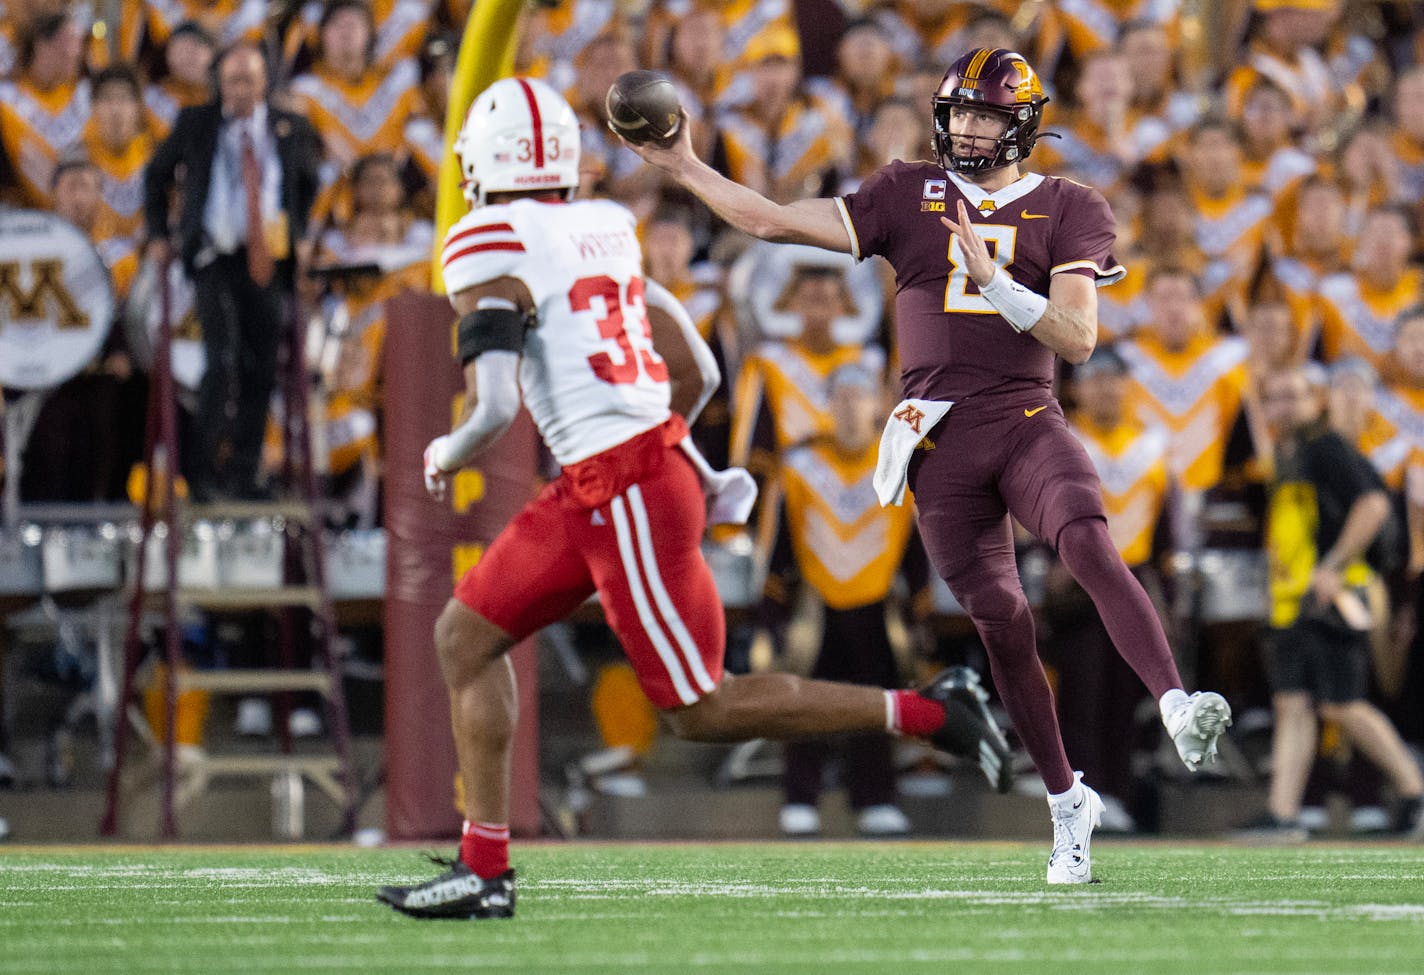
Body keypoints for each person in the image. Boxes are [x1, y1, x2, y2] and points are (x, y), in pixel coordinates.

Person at [374, 76, 1010, 920]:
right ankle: (485, 868)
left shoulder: (485, 239)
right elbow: (698, 368)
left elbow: (490, 406)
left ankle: (933, 709)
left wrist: (445, 450)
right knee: (464, 637)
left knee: (701, 707)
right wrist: (676, 453)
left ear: (484, 160)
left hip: (622, 484)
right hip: (606, 478)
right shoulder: (602, 227)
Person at [626, 46, 1233, 884]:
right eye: (960, 114)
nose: (969, 128)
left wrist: (1001, 287)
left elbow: (1080, 337)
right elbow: (771, 218)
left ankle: (1176, 701)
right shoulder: (907, 191)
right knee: (1001, 624)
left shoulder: (1067, 205)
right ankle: (1066, 806)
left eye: (985, 114)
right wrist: (685, 164)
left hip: (1024, 415)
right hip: (935, 439)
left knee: (1086, 538)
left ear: (1020, 122)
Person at [1246, 365, 1424, 839]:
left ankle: (1414, 789)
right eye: (1275, 397)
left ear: (1315, 401)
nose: (1283, 406)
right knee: (1293, 704)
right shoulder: (1290, 453)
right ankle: (1282, 813)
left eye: (1294, 396)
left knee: (1341, 706)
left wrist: (1333, 565)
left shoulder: (1325, 446)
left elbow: (1375, 504)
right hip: (1296, 600)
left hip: (1332, 596)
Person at [142, 41, 322, 501]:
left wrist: (299, 235)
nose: (239, 89)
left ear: (265, 82)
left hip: (268, 262)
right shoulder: (197, 123)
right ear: (219, 84)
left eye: (248, 79)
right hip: (213, 259)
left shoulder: (291, 127)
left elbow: (307, 183)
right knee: (220, 363)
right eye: (231, 80)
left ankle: (246, 474)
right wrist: (161, 233)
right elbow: (156, 174)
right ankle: (201, 474)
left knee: (262, 367)